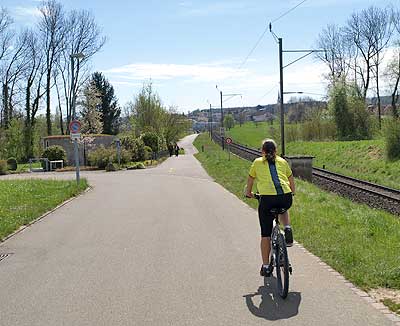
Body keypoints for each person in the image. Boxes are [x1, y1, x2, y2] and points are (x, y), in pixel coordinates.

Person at [245, 139, 295, 277]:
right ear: (276, 151)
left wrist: (248, 193)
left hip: (267, 199)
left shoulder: (257, 162)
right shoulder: (282, 161)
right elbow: (291, 179)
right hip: (286, 197)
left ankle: (266, 267)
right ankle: (288, 227)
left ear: (262, 151)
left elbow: (250, 180)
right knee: (283, 209)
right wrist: (293, 192)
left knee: (265, 235)